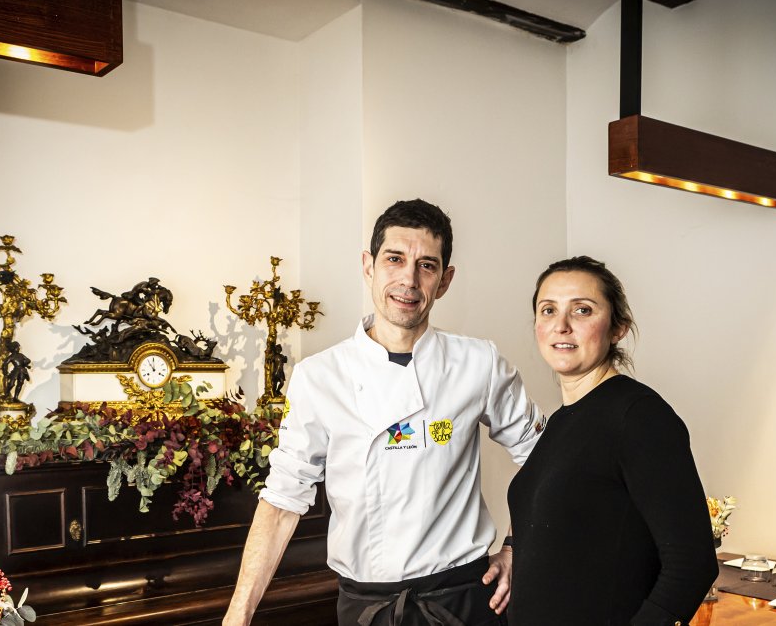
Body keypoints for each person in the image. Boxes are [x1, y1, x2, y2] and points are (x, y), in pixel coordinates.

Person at [224, 199, 544, 626]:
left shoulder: (478, 363)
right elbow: (282, 501)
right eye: (394, 259)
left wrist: (516, 545)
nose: (408, 280)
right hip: (366, 608)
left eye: (426, 265)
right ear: (368, 265)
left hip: (464, 600)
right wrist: (238, 615)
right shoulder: (320, 377)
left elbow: (545, 457)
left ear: (445, 280)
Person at [506, 256, 717, 625]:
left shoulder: (639, 416)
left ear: (618, 328)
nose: (561, 326)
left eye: (582, 310)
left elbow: (692, 565)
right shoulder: (561, 422)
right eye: (548, 310)